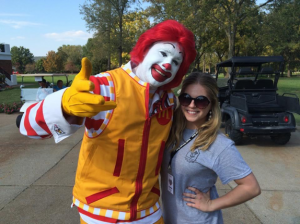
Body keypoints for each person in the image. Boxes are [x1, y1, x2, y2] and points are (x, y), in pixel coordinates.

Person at [19, 20, 196, 224]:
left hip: (150, 212)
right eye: (164, 54)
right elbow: (27, 126)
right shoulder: (104, 86)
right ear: (145, 49)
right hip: (101, 214)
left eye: (176, 62)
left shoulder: (170, 101)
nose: (167, 65)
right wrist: (64, 106)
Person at [161, 72, 261, 224]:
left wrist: (211, 204)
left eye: (200, 101)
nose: (192, 105)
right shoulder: (170, 130)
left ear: (212, 104)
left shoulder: (218, 144)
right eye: (186, 98)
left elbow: (251, 187)